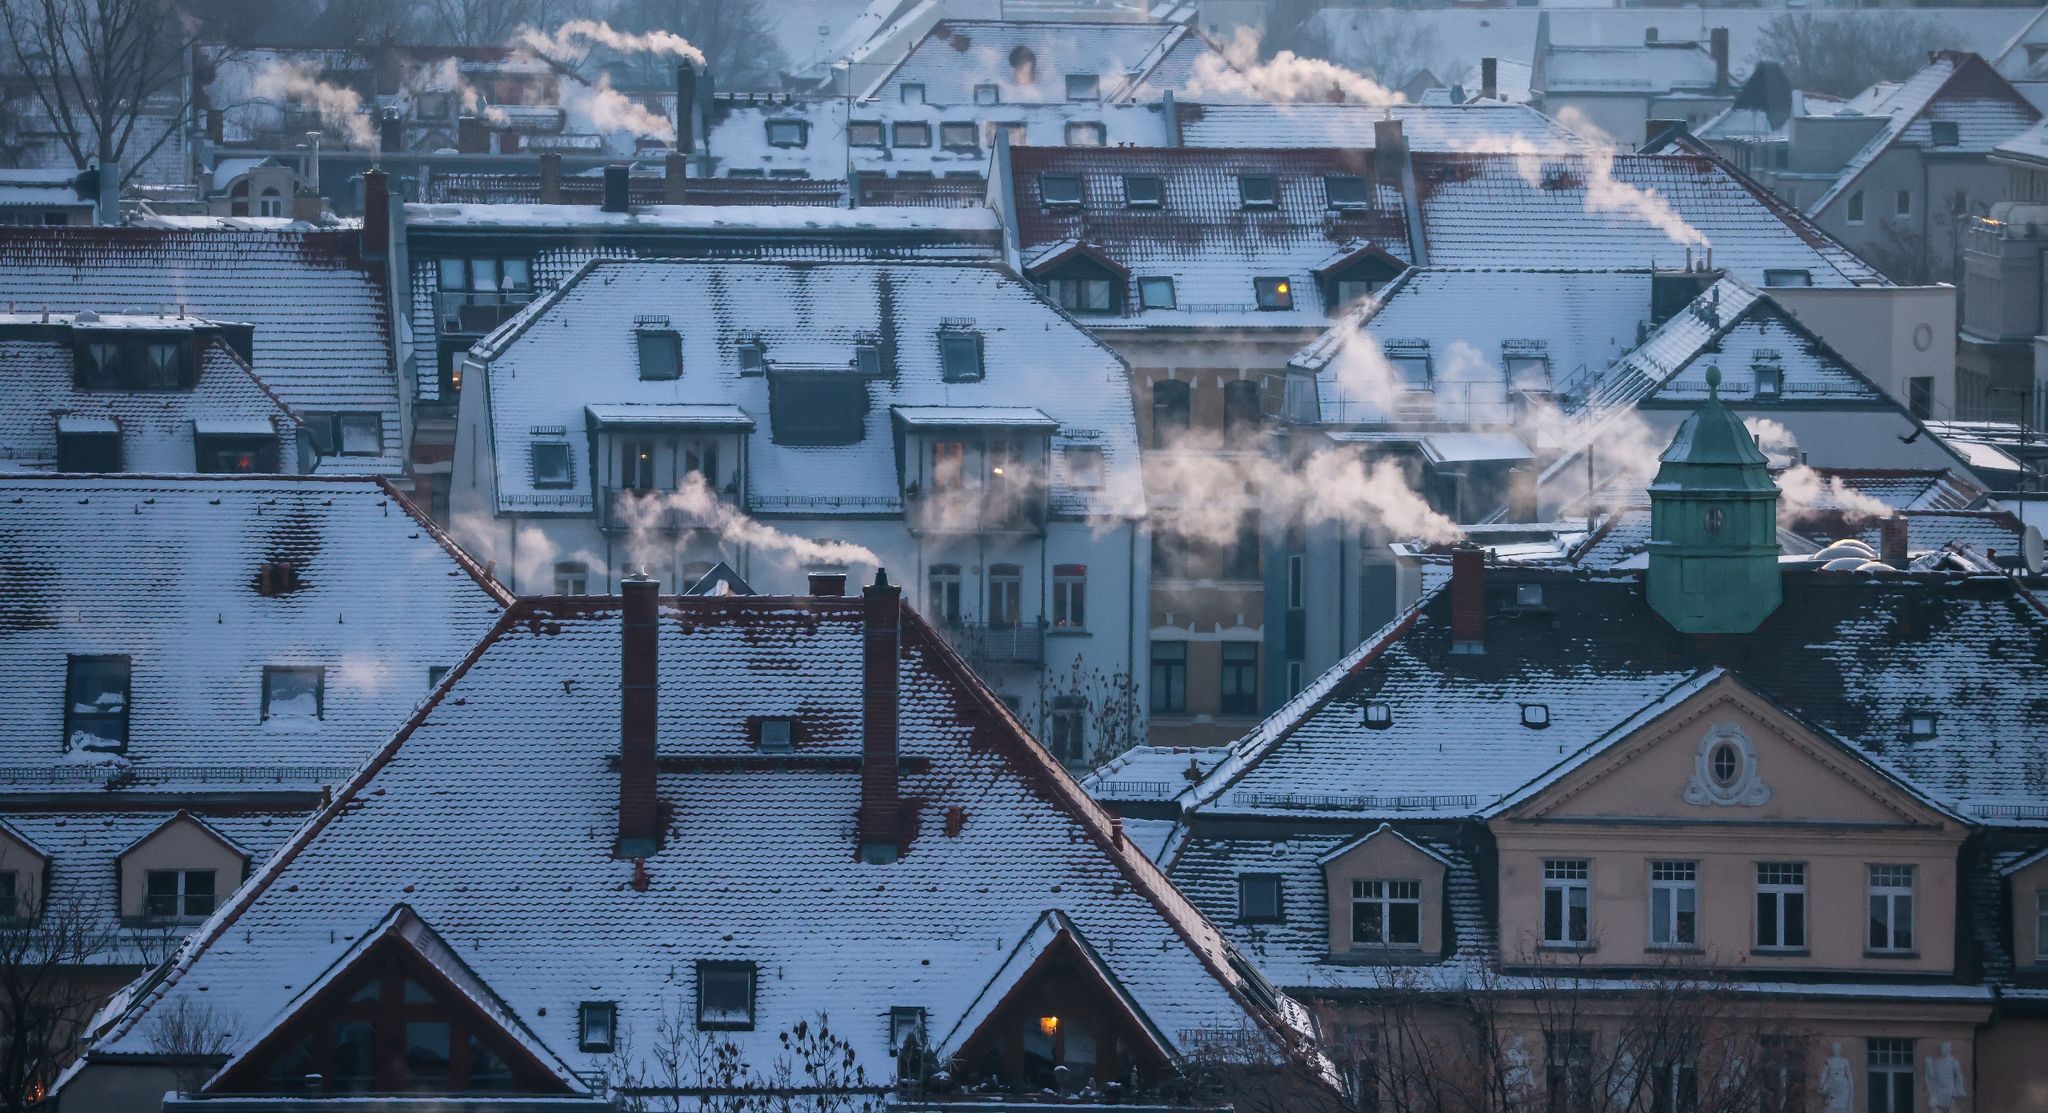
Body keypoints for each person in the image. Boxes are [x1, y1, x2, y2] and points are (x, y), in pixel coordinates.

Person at [1926, 1042, 1966, 1113]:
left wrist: (1957, 1091)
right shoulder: (1937, 1062)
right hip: (1938, 1090)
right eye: (1941, 1049)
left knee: (1951, 1108)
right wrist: (1929, 1065)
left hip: (1949, 1090)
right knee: (1934, 1106)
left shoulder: (1953, 1062)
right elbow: (1932, 1075)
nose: (1941, 1051)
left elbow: (1959, 1076)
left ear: (1948, 1050)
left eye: (1943, 1049)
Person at [1819, 1042, 1854, 1113]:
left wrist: (1852, 1089)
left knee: (1843, 1107)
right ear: (1832, 1050)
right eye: (1835, 1049)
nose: (1836, 1051)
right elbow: (1824, 1072)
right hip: (1833, 1087)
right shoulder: (1828, 1061)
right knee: (1831, 1105)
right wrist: (1822, 1083)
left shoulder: (1845, 1061)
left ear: (1840, 1050)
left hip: (1844, 1087)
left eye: (1838, 1049)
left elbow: (1849, 1075)